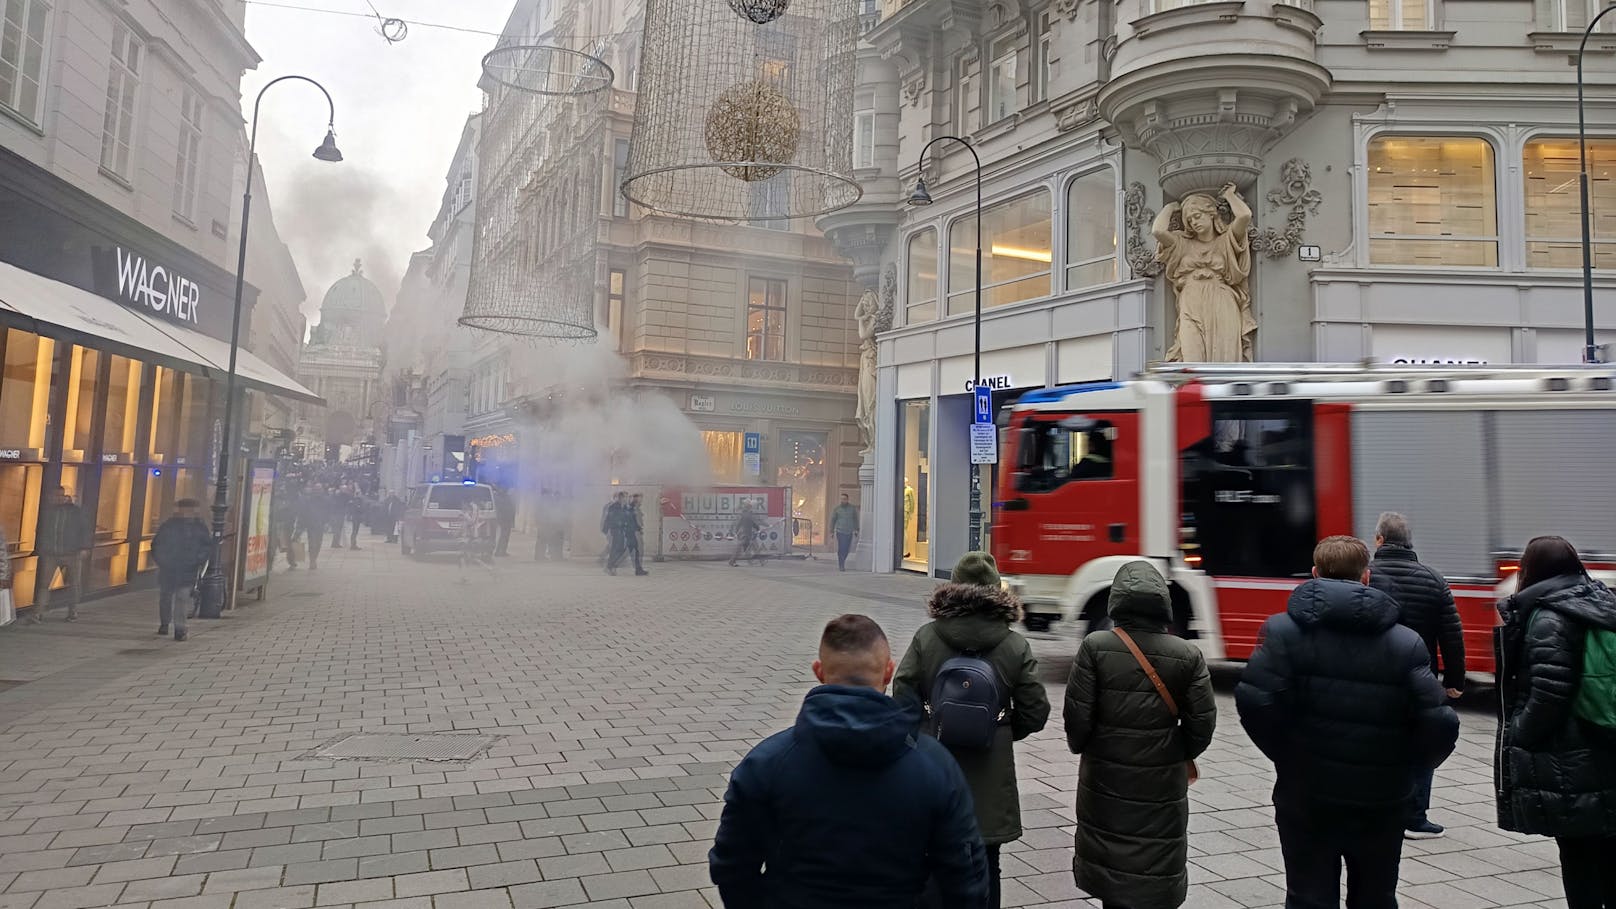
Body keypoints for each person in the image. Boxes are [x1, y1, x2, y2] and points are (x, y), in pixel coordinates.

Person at [1237, 536, 1458, 909]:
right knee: (1375, 896)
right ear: (1366, 577)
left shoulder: (1282, 632)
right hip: (1381, 799)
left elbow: (1254, 700)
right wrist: (1406, 767)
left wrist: (1287, 755)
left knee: (1308, 896)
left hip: (1306, 793)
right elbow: (1440, 723)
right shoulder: (1406, 643)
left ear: (1314, 573)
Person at [709, 614, 988, 908]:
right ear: (888, 673)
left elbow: (732, 864)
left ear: (819, 671)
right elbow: (965, 876)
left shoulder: (767, 762)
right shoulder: (935, 766)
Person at [892, 552, 1050, 909]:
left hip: (934, 766)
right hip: (989, 770)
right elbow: (1035, 710)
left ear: (953, 588)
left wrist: (926, 733)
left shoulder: (927, 637)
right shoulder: (1014, 644)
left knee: (931, 855)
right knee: (987, 861)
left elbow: (902, 695)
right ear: (997, 591)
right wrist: (1001, 731)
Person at [1064, 561, 1217, 909]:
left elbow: (1077, 719)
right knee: (1155, 861)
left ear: (1116, 600)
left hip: (1106, 778)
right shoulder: (1187, 654)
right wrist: (1175, 752)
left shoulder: (1095, 647)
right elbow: (1202, 725)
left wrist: (1090, 748)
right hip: (1161, 780)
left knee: (1112, 867)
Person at [1495, 535, 1616, 909]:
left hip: (1572, 752)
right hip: (1606, 740)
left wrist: (1522, 732)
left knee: (1578, 853)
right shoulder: (1602, 600)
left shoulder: (1548, 616)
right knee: (1609, 849)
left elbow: (1550, 691)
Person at [1367, 511, 1465, 839]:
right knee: (1421, 744)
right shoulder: (1433, 579)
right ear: (1410, 542)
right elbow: (1451, 635)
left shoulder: (1366, 576)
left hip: (1373, 675)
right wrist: (1455, 681)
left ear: (1379, 540)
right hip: (1420, 678)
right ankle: (1415, 816)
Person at [151, 499, 211, 642]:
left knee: (182, 598)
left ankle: (180, 628)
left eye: (191, 510)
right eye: (185, 509)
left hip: (188, 569)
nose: (188, 513)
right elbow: (157, 545)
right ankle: (164, 623)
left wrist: (197, 560)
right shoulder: (169, 526)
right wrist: (163, 561)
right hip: (169, 569)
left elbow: (206, 547)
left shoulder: (199, 527)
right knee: (165, 597)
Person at [30, 485, 90, 623]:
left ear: (65, 496)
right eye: (54, 496)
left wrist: (84, 548)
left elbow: (84, 529)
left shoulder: (75, 512)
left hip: (72, 553)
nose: (56, 499)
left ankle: (72, 610)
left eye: (59, 496)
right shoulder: (47, 512)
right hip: (51, 554)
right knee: (44, 584)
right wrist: (42, 548)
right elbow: (40, 531)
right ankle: (38, 613)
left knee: (73, 584)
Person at [296, 482, 330, 571]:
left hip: (320, 524)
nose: (318, 491)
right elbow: (304, 512)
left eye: (319, 489)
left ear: (322, 490)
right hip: (311, 525)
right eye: (316, 489)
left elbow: (328, 512)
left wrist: (327, 523)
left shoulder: (325, 500)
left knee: (318, 543)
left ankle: (314, 558)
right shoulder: (309, 500)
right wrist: (301, 524)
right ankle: (312, 561)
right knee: (312, 543)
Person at [603, 491, 630, 575]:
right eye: (625, 497)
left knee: (622, 549)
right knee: (615, 548)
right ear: (621, 498)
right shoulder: (613, 507)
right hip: (615, 530)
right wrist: (606, 530)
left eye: (627, 497)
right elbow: (609, 518)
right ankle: (610, 566)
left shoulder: (625, 507)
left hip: (622, 530)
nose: (627, 499)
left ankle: (611, 565)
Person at [831, 494, 860, 572]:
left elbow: (855, 519)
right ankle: (841, 564)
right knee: (842, 547)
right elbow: (833, 520)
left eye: (844, 499)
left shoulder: (852, 509)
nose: (843, 500)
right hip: (840, 531)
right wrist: (831, 531)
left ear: (847, 499)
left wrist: (856, 529)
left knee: (847, 549)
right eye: (841, 499)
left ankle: (843, 560)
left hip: (849, 531)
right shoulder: (837, 509)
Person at [728, 502, 760, 567]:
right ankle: (732, 561)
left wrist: (757, 527)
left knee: (746, 548)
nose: (751, 509)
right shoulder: (745, 514)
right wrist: (736, 532)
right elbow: (739, 524)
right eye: (750, 507)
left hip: (746, 534)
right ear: (748, 507)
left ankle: (752, 560)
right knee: (739, 548)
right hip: (744, 534)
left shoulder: (747, 514)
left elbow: (751, 523)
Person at [626, 493, 648, 576]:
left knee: (636, 551)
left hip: (634, 532)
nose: (641, 500)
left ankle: (638, 569)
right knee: (634, 551)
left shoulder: (634, 508)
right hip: (633, 532)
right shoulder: (633, 508)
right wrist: (638, 528)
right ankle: (611, 564)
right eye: (640, 499)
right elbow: (633, 521)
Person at [492, 484, 516, 557]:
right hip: (504, 519)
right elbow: (505, 509)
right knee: (504, 535)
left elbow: (511, 508)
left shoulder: (505, 497)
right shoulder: (501, 498)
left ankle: (502, 551)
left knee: (505, 536)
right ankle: (500, 551)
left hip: (506, 519)